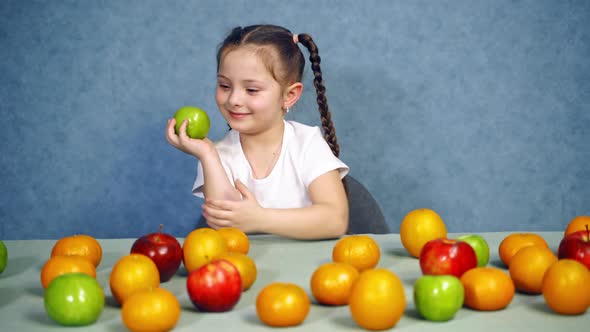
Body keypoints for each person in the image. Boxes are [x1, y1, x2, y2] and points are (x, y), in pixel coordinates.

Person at [166, 24, 349, 240]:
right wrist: (206, 154)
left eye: (251, 90)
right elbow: (225, 225)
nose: (234, 100)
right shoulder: (217, 154)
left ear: (289, 95)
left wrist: (261, 218)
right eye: (225, 86)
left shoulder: (307, 144)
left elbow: (335, 220)